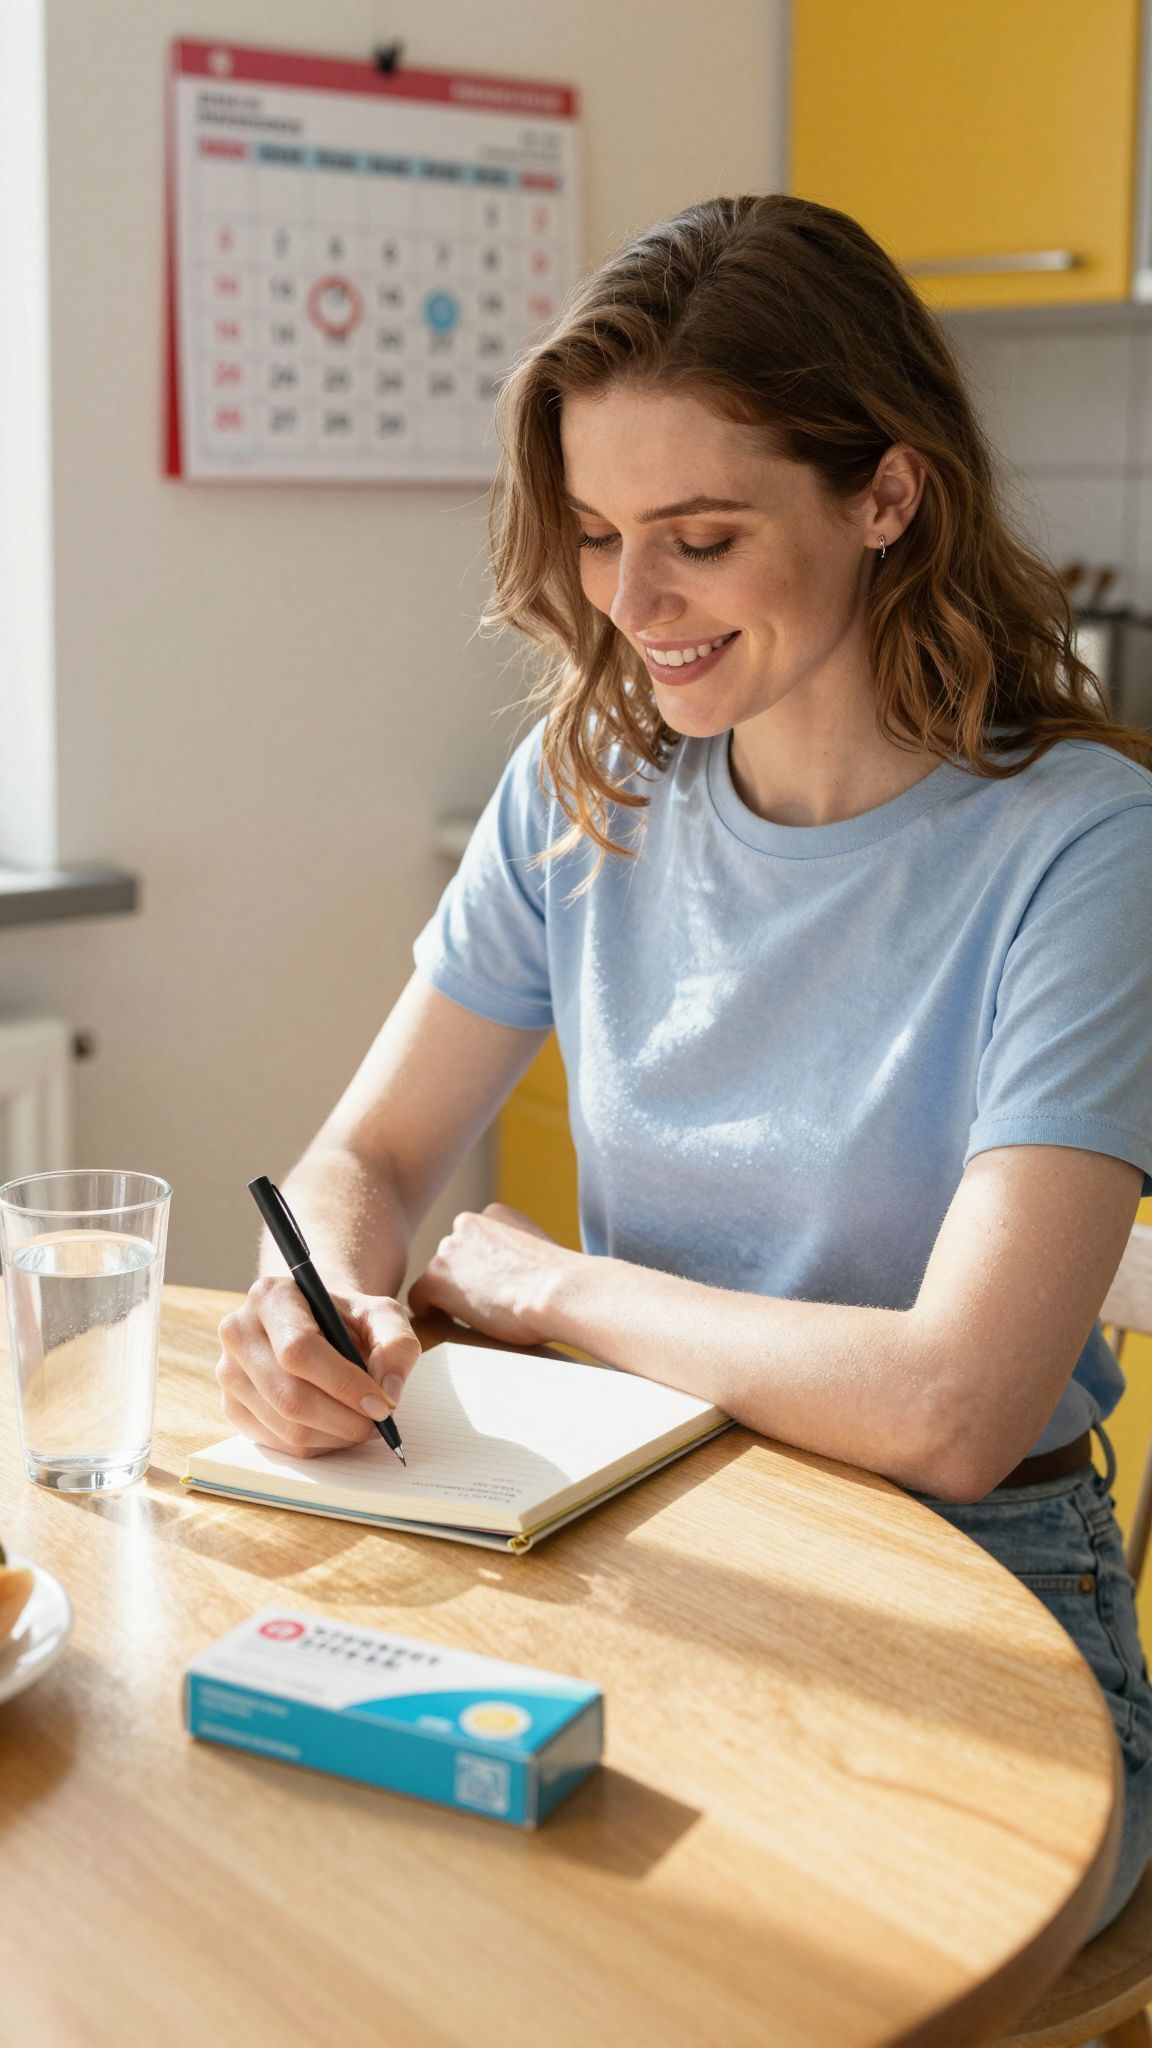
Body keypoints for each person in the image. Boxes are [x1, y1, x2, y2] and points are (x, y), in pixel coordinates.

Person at [216, 194, 1152, 1934]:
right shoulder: (588, 790)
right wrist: (322, 1302)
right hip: (640, 1535)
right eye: (593, 533)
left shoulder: (1086, 848)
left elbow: (955, 1409)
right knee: (299, 1854)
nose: (630, 602)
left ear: (888, 493)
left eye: (701, 537)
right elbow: (370, 1157)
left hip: (985, 1614)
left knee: (631, 1945)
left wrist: (559, 1289)